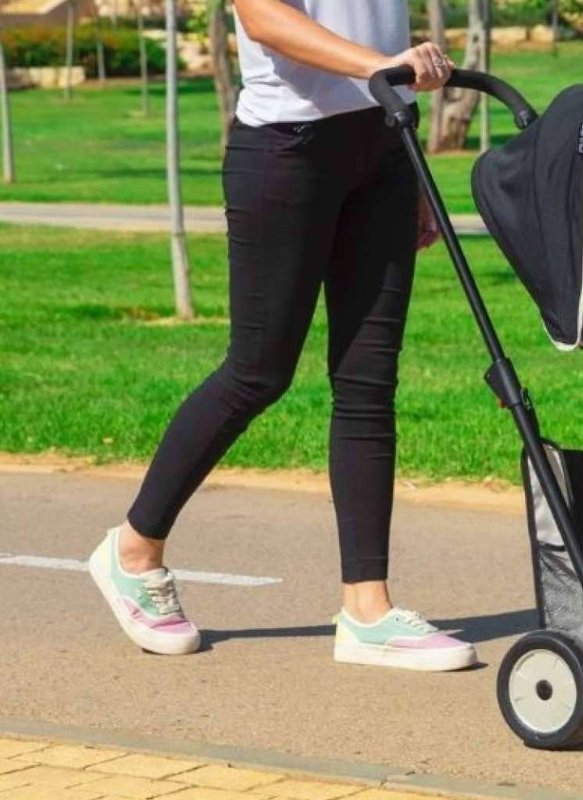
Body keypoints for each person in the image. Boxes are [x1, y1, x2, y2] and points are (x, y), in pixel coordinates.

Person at [88, 0, 477, 672]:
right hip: (285, 150)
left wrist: (405, 148)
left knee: (368, 381)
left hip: (382, 144)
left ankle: (367, 610)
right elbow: (264, 16)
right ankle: (133, 549)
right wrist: (379, 66)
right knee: (258, 372)